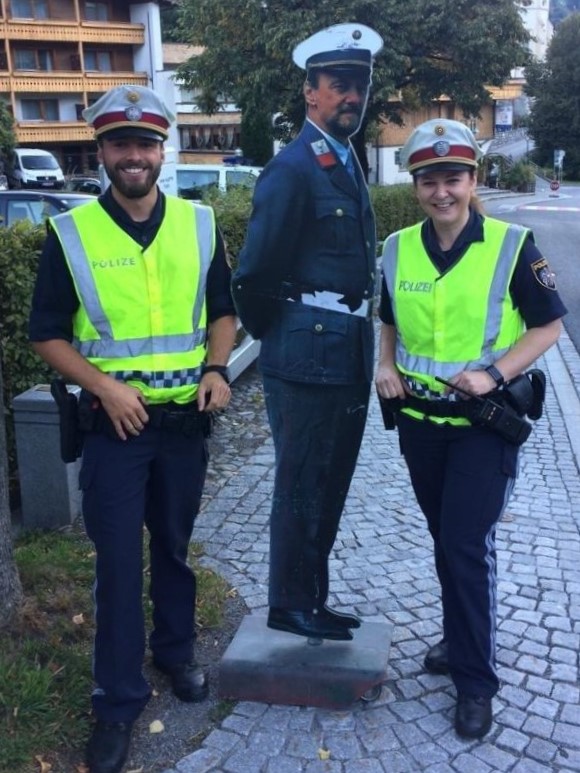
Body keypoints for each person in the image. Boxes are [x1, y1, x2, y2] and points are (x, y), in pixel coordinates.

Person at [29, 85, 237, 773]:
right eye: (120, 143)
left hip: (183, 423)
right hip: (111, 427)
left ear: (162, 149)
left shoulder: (201, 223)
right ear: (103, 152)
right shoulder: (71, 234)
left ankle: (176, 654)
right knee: (119, 563)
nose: (134, 155)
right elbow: (48, 335)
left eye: (146, 143)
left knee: (174, 548)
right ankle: (118, 701)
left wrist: (217, 366)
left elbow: (223, 311)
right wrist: (106, 387)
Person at [375, 118, 566, 739]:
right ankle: (459, 638)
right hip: (420, 426)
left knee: (464, 545)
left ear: (472, 179)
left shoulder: (512, 245)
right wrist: (383, 364)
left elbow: (548, 327)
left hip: (483, 426)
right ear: (416, 185)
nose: (441, 192)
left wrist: (493, 373)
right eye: (429, 180)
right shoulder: (398, 247)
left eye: (452, 178)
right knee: (444, 540)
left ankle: (476, 680)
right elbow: (388, 318)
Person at [232, 23, 383, 642]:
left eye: (359, 85)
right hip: (305, 358)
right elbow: (252, 276)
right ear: (310, 92)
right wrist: (286, 336)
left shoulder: (345, 160)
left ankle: (310, 599)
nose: (351, 96)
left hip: (344, 355)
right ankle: (289, 603)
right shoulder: (292, 168)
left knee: (329, 480)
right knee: (300, 481)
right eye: (339, 84)